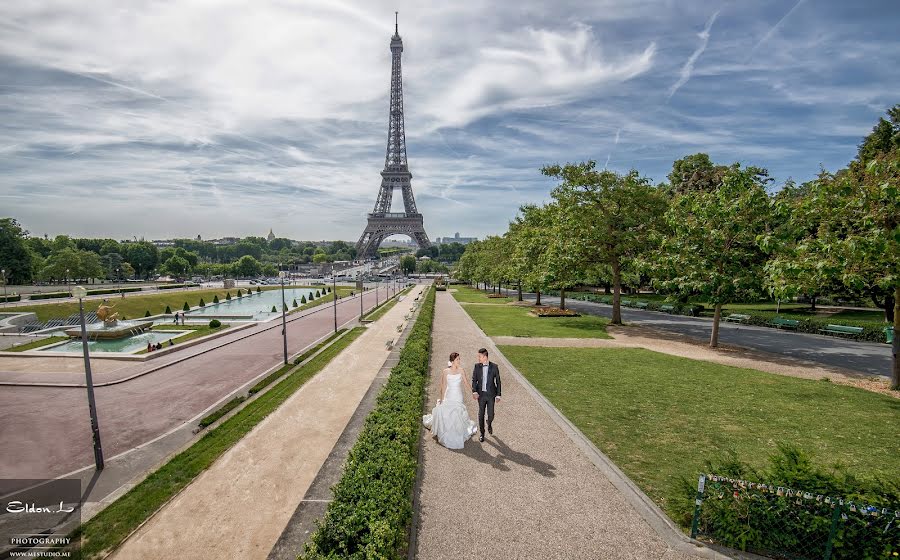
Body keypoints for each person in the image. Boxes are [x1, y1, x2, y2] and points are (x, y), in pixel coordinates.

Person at [422, 352, 477, 449]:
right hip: (449, 395)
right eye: (457, 359)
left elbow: (466, 383)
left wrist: (473, 392)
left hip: (458, 396)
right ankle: (447, 433)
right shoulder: (445, 371)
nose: (459, 361)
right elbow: (443, 387)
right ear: (452, 361)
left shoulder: (461, 370)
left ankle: (457, 432)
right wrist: (442, 400)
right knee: (446, 413)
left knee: (457, 414)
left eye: (459, 359)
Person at [471, 347, 501, 442]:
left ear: (485, 357)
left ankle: (489, 423)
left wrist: (498, 394)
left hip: (491, 395)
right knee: (481, 414)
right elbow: (474, 380)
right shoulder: (477, 366)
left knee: (491, 414)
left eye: (479, 356)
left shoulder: (494, 367)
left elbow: (498, 382)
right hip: (481, 395)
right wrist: (474, 391)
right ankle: (482, 433)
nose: (478, 358)